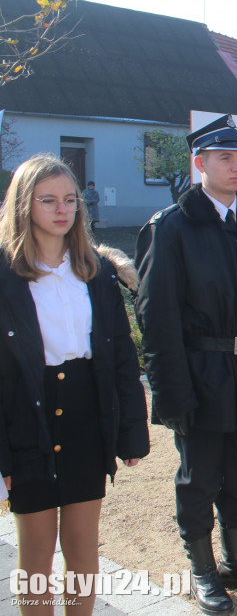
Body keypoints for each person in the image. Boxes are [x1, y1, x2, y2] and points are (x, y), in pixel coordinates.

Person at [135, 115, 237, 614]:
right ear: (198, 163)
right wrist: (170, 392)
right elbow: (156, 318)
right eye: (224, 158)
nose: (235, 166)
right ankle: (203, 571)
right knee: (199, 479)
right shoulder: (173, 227)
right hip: (201, 376)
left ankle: (236, 561)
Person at [0, 154, 149, 615]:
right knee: (36, 556)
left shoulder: (97, 272)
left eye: (71, 199)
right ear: (25, 206)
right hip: (26, 416)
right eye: (48, 200)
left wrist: (132, 432)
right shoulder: (5, 276)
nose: (63, 209)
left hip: (87, 414)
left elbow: (122, 357)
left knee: (83, 550)